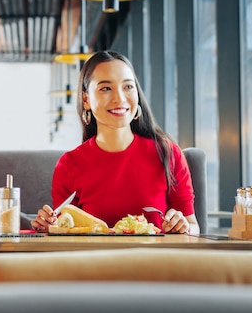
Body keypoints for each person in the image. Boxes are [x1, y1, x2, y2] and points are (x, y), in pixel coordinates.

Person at [32, 51, 199, 234]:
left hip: (154, 260)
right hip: (94, 261)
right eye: (106, 88)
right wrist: (50, 227)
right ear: (86, 99)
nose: (119, 98)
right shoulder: (69, 165)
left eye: (128, 87)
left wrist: (183, 226)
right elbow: (67, 232)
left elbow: (193, 226)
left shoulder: (168, 154)